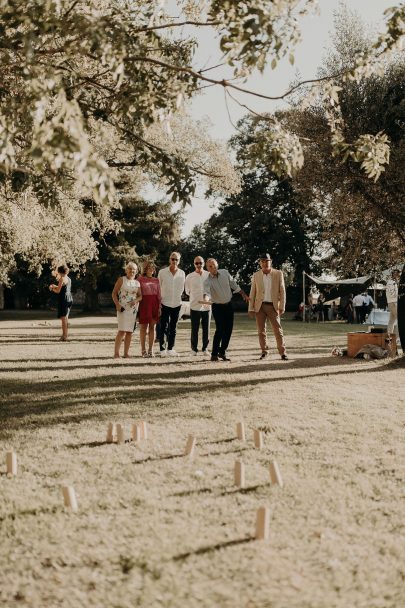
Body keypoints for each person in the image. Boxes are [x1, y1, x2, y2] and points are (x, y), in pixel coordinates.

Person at [203, 258, 249, 362]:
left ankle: (222, 351)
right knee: (220, 330)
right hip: (217, 307)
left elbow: (234, 284)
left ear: (217, 265)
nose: (212, 267)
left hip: (228, 305)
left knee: (228, 330)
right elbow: (206, 292)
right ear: (207, 268)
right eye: (210, 266)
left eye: (214, 265)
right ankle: (214, 354)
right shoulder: (207, 281)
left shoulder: (225, 273)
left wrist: (243, 294)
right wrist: (205, 298)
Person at [248, 253, 288, 360]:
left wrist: (282, 306)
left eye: (267, 261)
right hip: (259, 307)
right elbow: (253, 292)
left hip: (273, 306)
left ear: (271, 262)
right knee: (261, 331)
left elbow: (282, 291)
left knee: (278, 330)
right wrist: (251, 308)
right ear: (260, 263)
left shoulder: (278, 274)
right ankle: (264, 352)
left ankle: (283, 353)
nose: (265, 263)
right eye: (263, 261)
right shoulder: (256, 275)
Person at [112, 262, 142, 358]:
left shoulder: (137, 283)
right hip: (122, 309)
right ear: (126, 270)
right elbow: (114, 294)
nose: (132, 271)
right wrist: (117, 304)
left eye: (134, 269)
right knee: (121, 331)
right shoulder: (122, 280)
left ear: (136, 271)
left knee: (129, 332)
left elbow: (140, 296)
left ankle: (126, 353)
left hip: (133, 310)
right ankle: (116, 353)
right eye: (130, 268)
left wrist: (136, 300)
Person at [158, 252, 185, 357]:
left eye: (176, 259)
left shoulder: (182, 273)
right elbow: (158, 288)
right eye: (172, 259)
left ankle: (170, 349)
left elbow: (182, 288)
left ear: (179, 261)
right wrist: (159, 303)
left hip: (177, 304)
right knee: (163, 327)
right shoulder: (162, 272)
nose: (174, 261)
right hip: (164, 303)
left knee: (173, 328)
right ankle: (162, 350)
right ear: (169, 259)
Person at [185, 256, 210, 356]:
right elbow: (187, 291)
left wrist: (207, 298)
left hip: (207, 307)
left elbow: (211, 289)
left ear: (204, 263)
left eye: (200, 263)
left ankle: (205, 349)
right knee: (194, 329)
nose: (199, 265)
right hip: (194, 306)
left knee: (206, 329)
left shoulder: (209, 275)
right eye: (197, 263)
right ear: (194, 264)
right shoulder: (189, 276)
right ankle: (194, 349)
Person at [138, 261, 161, 357]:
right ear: (145, 269)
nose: (151, 269)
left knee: (152, 327)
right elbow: (138, 293)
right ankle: (143, 351)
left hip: (154, 304)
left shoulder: (156, 280)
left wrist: (160, 307)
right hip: (144, 304)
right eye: (149, 268)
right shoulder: (140, 279)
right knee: (143, 328)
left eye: (153, 268)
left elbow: (159, 294)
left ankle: (151, 350)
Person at [49, 264, 73, 341]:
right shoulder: (68, 279)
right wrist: (54, 286)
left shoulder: (62, 278)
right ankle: (65, 335)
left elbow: (58, 291)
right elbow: (63, 288)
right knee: (66, 318)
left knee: (63, 318)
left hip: (63, 299)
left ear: (60, 272)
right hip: (69, 298)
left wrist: (52, 288)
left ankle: (64, 336)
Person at [386, 269, 400, 336]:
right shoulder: (391, 282)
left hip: (392, 302)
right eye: (397, 274)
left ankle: (389, 336)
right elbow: (392, 294)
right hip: (394, 302)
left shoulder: (393, 282)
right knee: (399, 320)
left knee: (392, 320)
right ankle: (397, 337)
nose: (398, 276)